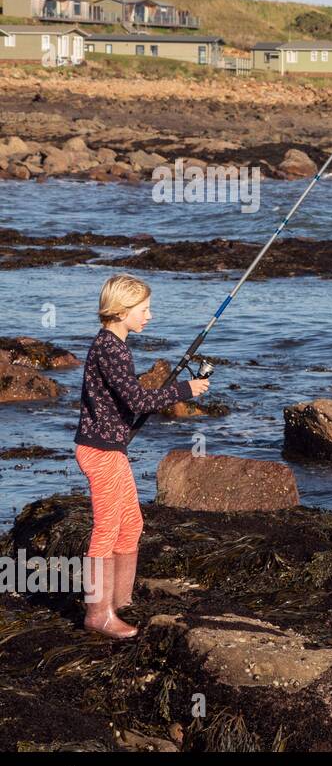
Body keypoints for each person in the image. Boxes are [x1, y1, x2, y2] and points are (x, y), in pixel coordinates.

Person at [73, 274, 209, 639]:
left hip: (110, 449)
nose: (149, 315)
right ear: (120, 311)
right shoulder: (110, 348)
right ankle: (97, 614)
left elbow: (125, 403)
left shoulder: (116, 345)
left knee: (131, 524)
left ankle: (120, 603)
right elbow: (136, 400)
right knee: (106, 530)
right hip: (99, 452)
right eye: (143, 309)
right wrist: (185, 389)